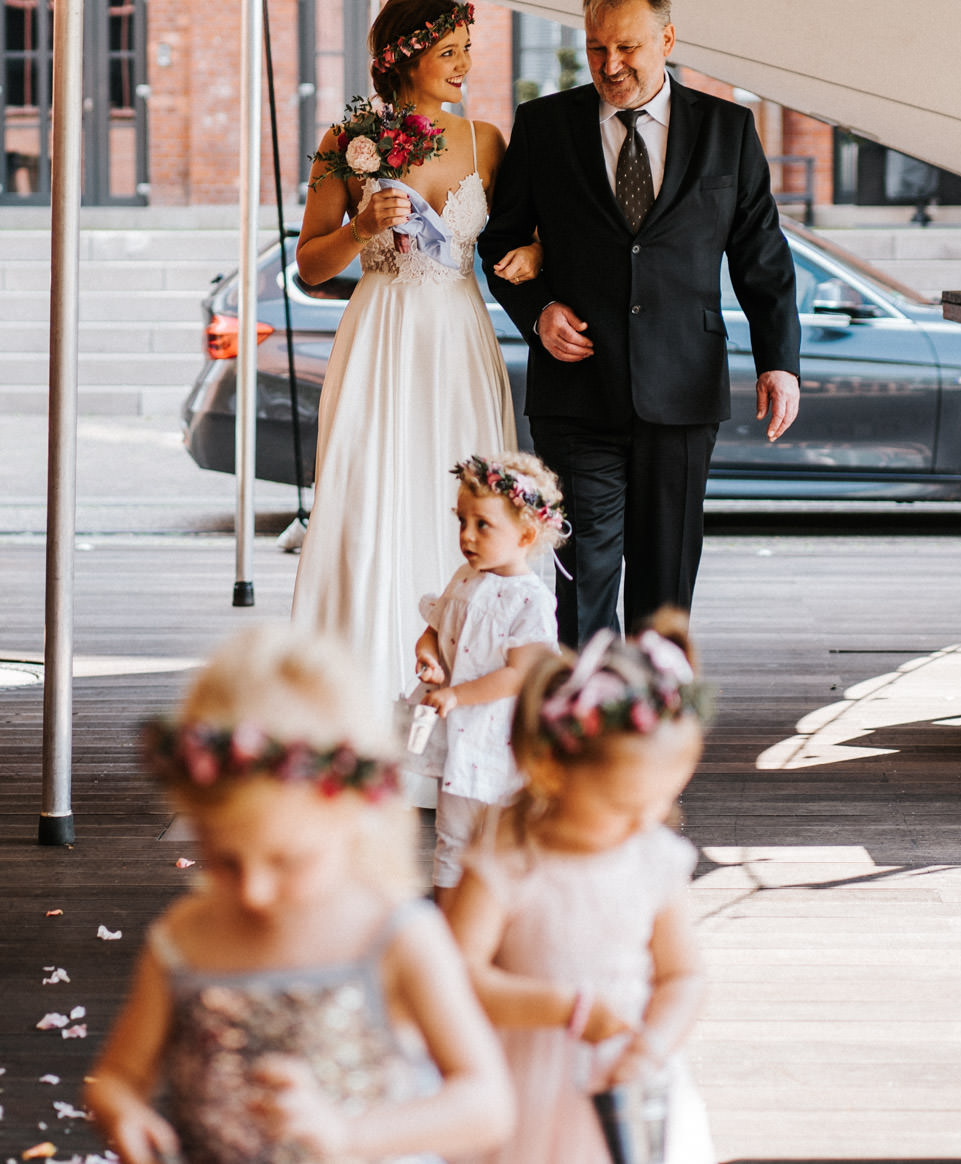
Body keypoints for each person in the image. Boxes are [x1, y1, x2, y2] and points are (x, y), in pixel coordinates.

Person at [85, 622, 515, 1164]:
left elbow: (487, 1104)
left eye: (288, 861)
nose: (254, 891)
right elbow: (117, 1078)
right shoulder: (184, 940)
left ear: (355, 816)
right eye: (224, 861)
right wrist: (121, 1109)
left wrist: (350, 1137)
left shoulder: (396, 936)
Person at [479, 0, 801, 644]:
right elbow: (502, 240)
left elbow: (760, 256)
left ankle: (653, 725)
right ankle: (583, 729)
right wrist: (537, 310)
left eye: (627, 47)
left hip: (682, 388)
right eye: (598, 47)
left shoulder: (728, 131)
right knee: (583, 570)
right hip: (577, 389)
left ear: (668, 39)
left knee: (665, 579)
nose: (611, 63)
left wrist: (780, 361)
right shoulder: (544, 126)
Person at [292, 0, 540, 717]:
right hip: (379, 337)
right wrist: (359, 226)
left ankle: (467, 707)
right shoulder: (350, 140)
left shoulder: (485, 141)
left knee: (462, 502)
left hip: (457, 339)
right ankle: (357, 707)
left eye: (467, 49)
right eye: (449, 52)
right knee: (367, 501)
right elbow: (310, 265)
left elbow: (531, 229)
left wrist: (534, 250)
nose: (465, 65)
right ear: (405, 57)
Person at [447, 616, 715, 1164]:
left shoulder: (652, 859)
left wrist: (653, 1046)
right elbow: (457, 976)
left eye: (663, 802)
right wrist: (564, 1008)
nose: (648, 821)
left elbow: (683, 975)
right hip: (525, 1077)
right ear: (552, 772)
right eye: (626, 806)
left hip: (625, 1076)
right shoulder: (510, 856)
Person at [410, 451, 565, 909]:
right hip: (458, 735)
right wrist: (430, 660)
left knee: (504, 834)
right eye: (462, 522)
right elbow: (433, 631)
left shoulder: (529, 602)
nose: (466, 536)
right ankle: (448, 920)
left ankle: (504, 918)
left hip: (501, 738)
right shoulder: (464, 578)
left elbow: (520, 675)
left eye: (482, 526)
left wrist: (458, 694)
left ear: (526, 534)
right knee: (452, 835)